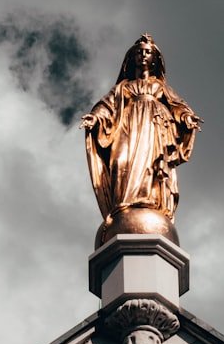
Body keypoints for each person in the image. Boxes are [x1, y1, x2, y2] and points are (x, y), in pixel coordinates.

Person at [81, 34, 201, 225]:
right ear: (132, 58)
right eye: (139, 52)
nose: (143, 55)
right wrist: (95, 118)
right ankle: (123, 205)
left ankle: (149, 201)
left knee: (152, 166)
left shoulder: (160, 87)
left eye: (147, 52)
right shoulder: (123, 88)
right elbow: (107, 106)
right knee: (120, 162)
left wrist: (187, 117)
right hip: (127, 125)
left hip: (154, 125)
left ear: (154, 60)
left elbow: (178, 106)